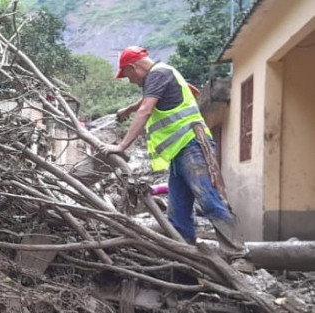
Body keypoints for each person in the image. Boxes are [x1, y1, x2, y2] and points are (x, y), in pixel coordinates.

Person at [100, 46, 249, 268]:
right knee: (178, 212)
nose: (130, 81)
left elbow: (146, 110)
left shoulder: (158, 74)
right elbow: (146, 103)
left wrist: (122, 146)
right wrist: (127, 110)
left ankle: (239, 255)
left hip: (192, 145)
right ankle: (186, 261)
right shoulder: (160, 76)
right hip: (180, 153)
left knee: (208, 199)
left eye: (127, 75)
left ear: (132, 67)